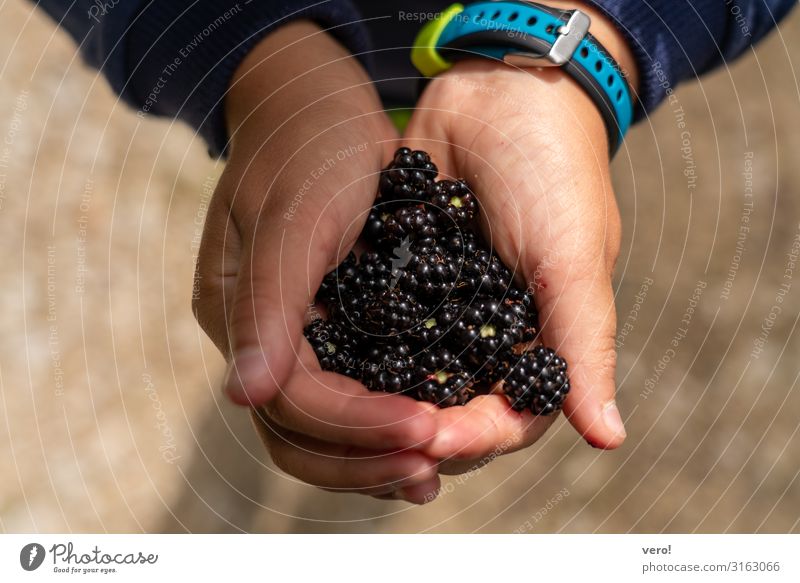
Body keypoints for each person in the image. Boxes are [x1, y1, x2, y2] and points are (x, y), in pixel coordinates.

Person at [33, 0, 795, 504]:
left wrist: (590, 45)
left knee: (397, 431)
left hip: (507, 59)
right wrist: (261, 54)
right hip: (323, 79)